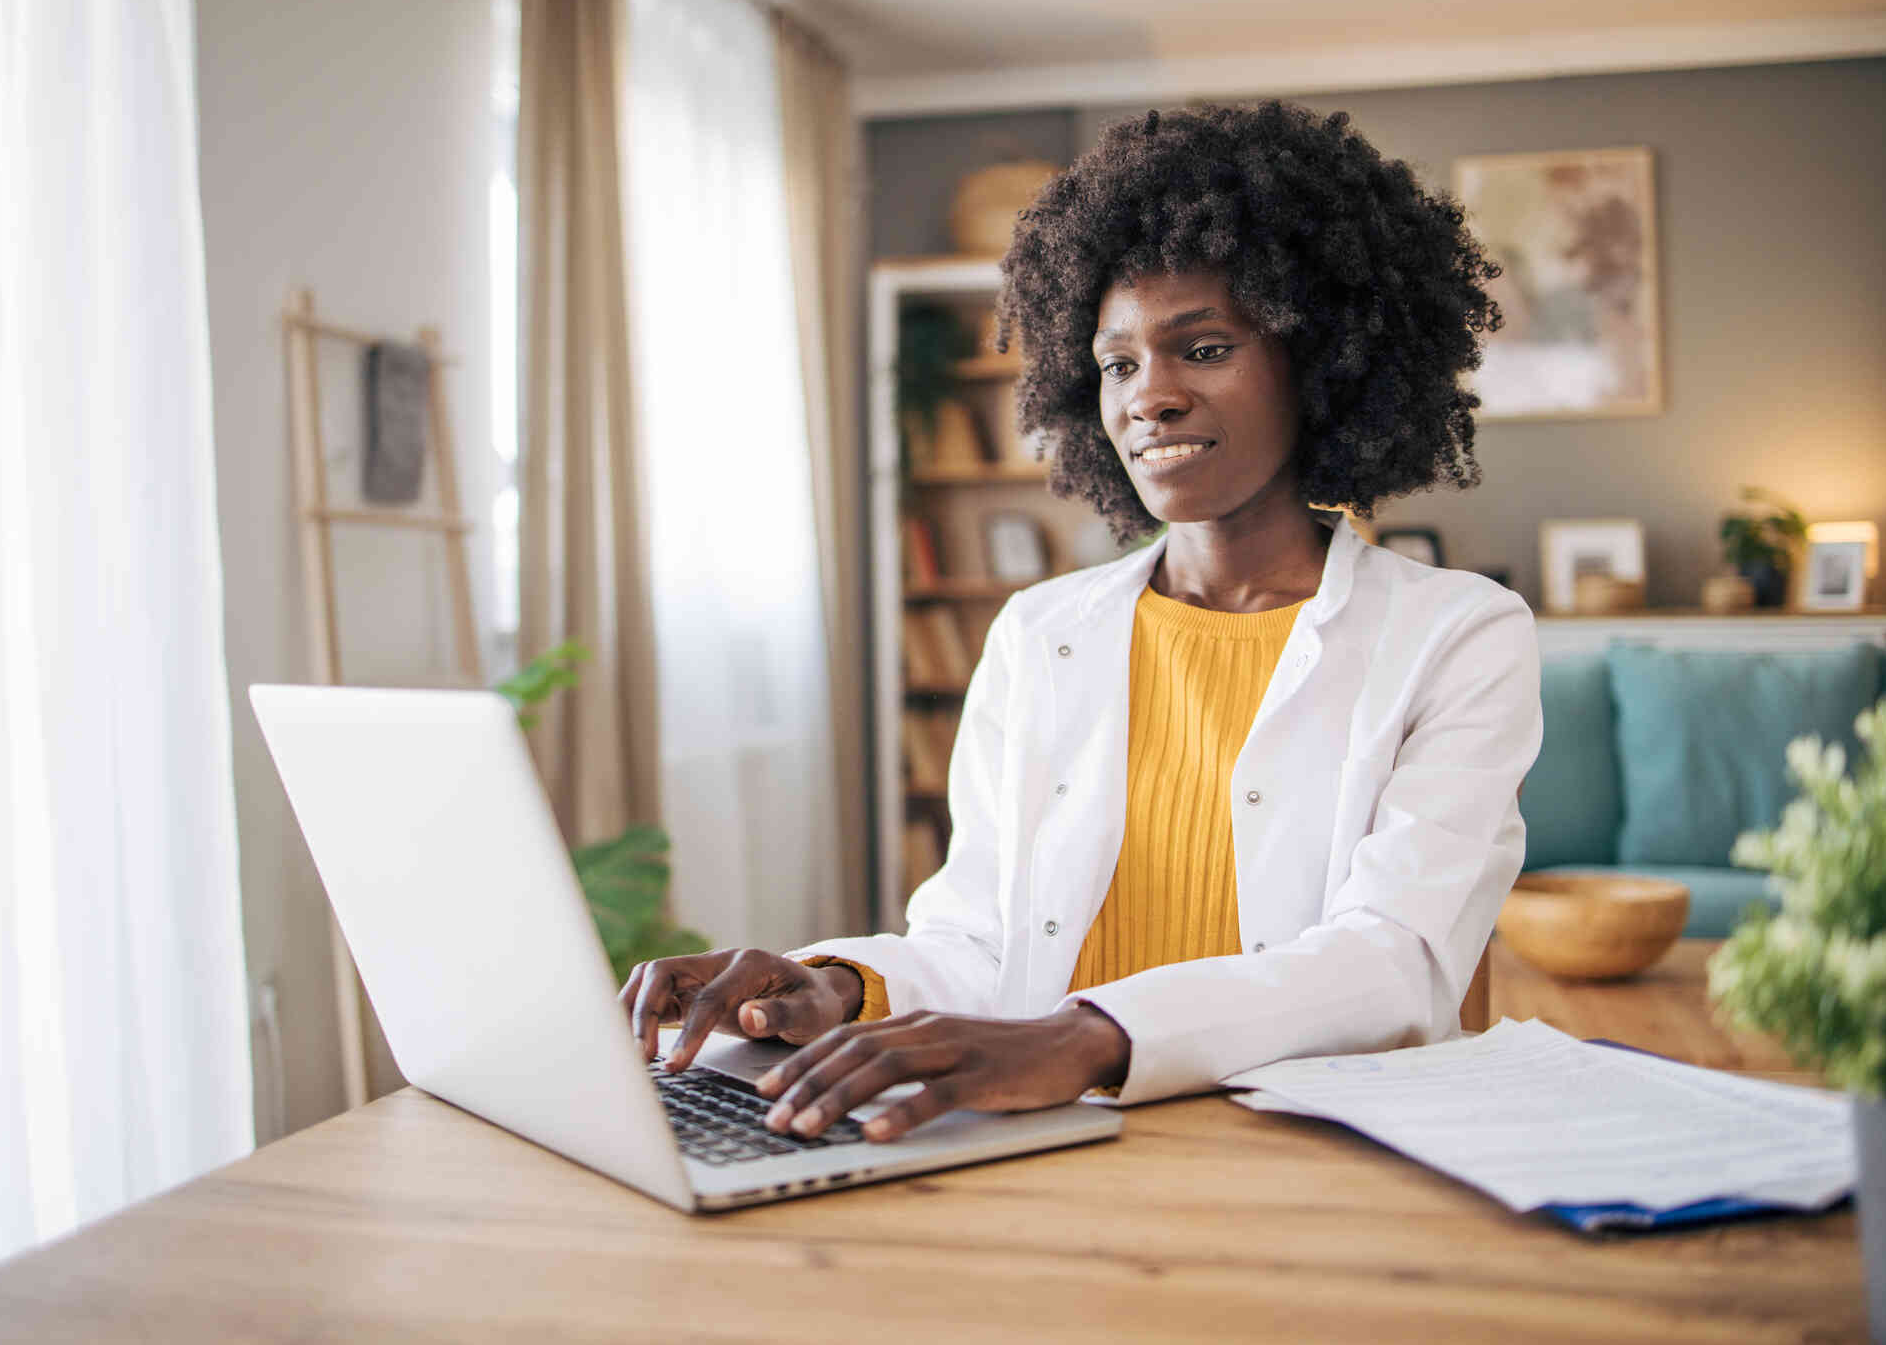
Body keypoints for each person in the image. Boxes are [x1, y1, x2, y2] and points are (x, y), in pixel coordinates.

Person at [620, 101, 1542, 1145]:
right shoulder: (1037, 631)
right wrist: (835, 986)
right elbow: (981, 940)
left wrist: (1084, 1034)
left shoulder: (1459, 633)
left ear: (1319, 362)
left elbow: (1397, 960)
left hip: (1305, 1153)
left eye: (1201, 347)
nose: (1150, 397)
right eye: (1117, 364)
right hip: (1049, 1138)